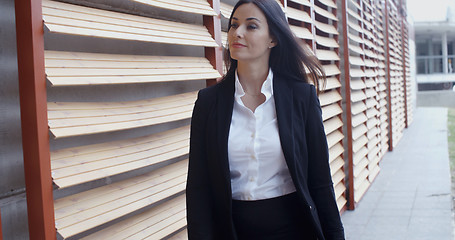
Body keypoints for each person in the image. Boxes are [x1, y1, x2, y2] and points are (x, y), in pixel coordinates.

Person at [186, 0, 345, 239]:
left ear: (273, 39)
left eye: (251, 26)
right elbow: (198, 188)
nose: (237, 33)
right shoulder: (209, 103)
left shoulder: (301, 98)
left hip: (293, 230)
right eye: (233, 25)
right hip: (231, 231)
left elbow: (320, 182)